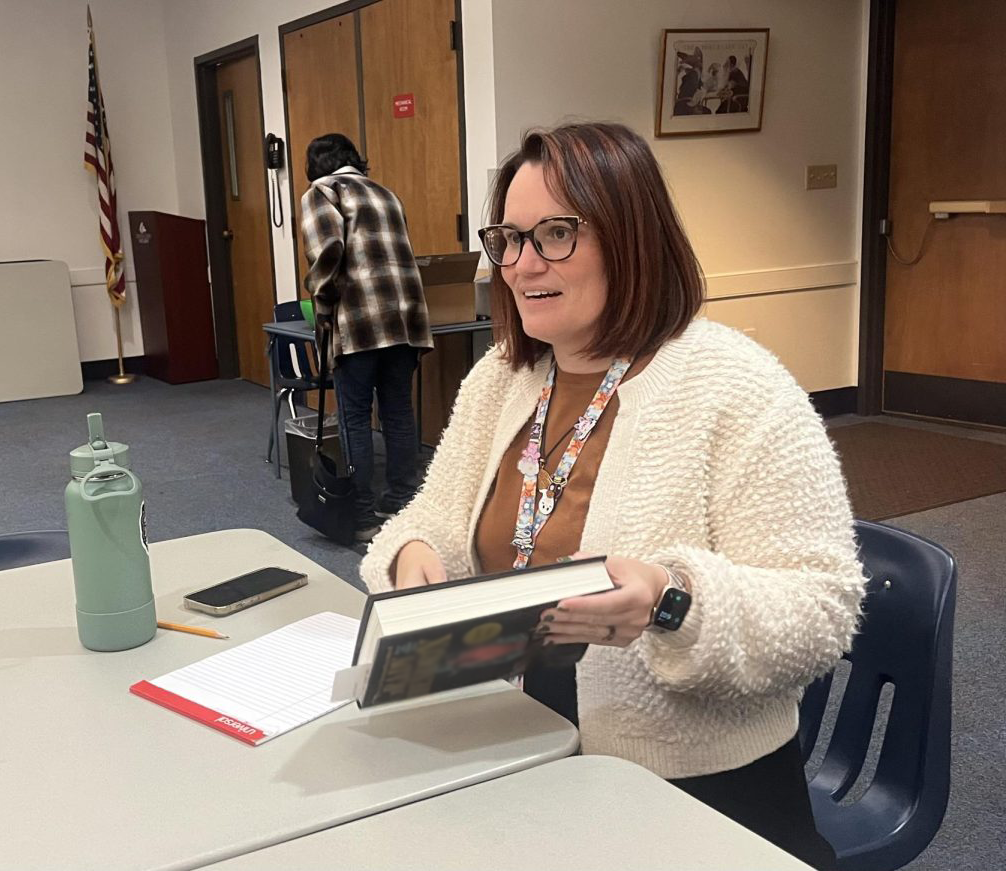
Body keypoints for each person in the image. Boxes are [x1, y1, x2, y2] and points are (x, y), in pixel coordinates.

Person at [360, 122, 864, 870]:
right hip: (525, 746)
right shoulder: (502, 378)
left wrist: (674, 601)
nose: (523, 264)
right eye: (509, 238)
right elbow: (432, 515)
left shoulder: (738, 387)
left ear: (631, 238)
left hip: (694, 793)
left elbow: (825, 608)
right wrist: (413, 553)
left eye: (556, 234)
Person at [300, 133, 433, 541]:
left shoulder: (321, 192)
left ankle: (361, 517)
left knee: (355, 417)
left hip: (359, 323)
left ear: (314, 167)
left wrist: (323, 310)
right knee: (397, 412)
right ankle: (403, 501)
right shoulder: (388, 195)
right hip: (406, 322)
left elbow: (328, 255)